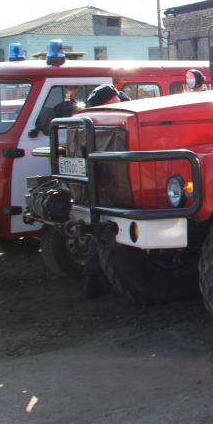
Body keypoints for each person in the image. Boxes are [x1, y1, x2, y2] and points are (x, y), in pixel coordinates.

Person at [79, 85, 130, 299]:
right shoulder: (111, 121)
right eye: (116, 98)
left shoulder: (86, 120)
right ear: (110, 101)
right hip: (110, 186)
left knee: (97, 231)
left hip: (92, 186)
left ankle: (93, 278)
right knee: (101, 233)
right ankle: (94, 278)